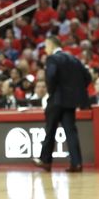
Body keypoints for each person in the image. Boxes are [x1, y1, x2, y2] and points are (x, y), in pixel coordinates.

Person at [32, 36, 91, 172]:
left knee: (50, 129)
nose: (45, 49)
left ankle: (45, 161)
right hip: (71, 101)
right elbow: (87, 77)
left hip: (57, 99)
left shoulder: (53, 58)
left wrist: (52, 91)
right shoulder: (74, 59)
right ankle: (76, 163)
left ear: (52, 45)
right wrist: (76, 91)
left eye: (46, 46)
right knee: (71, 131)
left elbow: (51, 77)